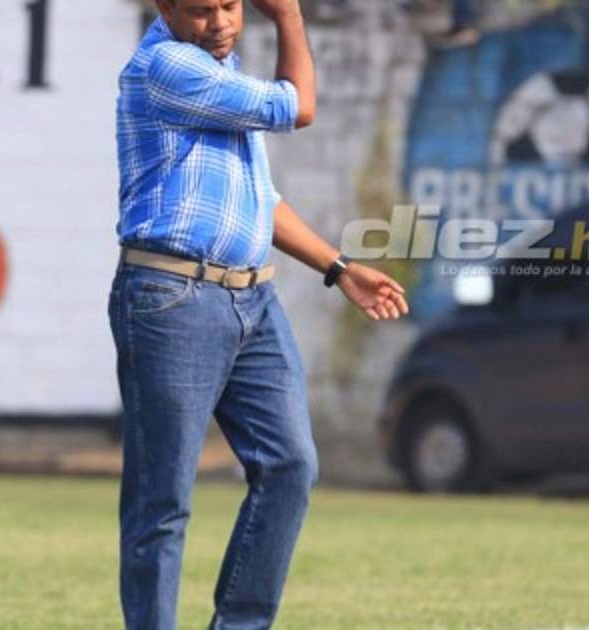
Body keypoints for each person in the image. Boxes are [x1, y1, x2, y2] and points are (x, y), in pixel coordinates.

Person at [108, 0, 410, 628]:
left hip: (254, 301)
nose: (220, 22)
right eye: (201, 10)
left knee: (290, 466)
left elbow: (260, 199)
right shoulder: (167, 66)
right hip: (173, 298)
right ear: (165, 6)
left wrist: (339, 266)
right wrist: (290, 16)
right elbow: (297, 106)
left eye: (230, 5)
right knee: (162, 501)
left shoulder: (221, 73)